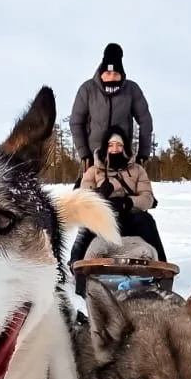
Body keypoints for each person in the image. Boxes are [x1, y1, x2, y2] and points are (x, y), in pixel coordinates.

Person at [69, 126, 166, 294]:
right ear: (105, 147)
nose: (115, 149)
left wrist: (127, 202)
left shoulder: (137, 170)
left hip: (130, 217)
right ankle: (76, 266)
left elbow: (148, 198)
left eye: (119, 145)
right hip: (104, 218)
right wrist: (100, 195)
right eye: (111, 145)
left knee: (146, 221)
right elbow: (82, 199)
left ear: (125, 148)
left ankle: (162, 268)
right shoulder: (94, 170)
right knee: (86, 225)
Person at [70, 43, 154, 174]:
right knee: (85, 193)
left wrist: (143, 153)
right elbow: (76, 122)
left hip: (122, 158)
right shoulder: (87, 90)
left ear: (122, 74)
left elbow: (145, 121)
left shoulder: (131, 90)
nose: (111, 77)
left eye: (116, 73)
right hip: (94, 160)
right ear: (101, 72)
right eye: (108, 73)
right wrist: (84, 154)